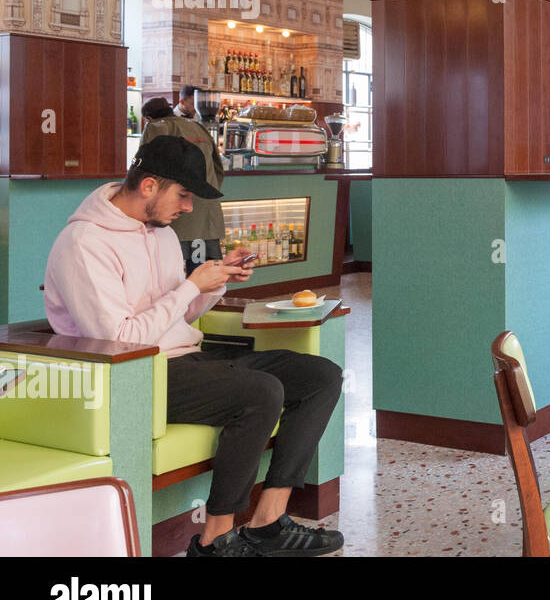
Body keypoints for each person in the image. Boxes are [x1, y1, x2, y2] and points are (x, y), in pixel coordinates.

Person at [42, 137, 344, 557]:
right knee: (262, 392)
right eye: (182, 195)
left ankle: (267, 523)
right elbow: (120, 340)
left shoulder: (160, 233)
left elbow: (177, 315)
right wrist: (189, 286)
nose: (187, 208)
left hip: (189, 360)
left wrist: (215, 283)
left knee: (320, 375)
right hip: (138, 374)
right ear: (149, 186)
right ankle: (215, 541)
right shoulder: (84, 244)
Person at [141, 96, 224, 274]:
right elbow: (218, 169)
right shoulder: (198, 127)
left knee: (172, 274)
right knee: (203, 271)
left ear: (148, 118)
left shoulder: (155, 127)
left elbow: (144, 168)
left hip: (174, 216)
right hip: (206, 214)